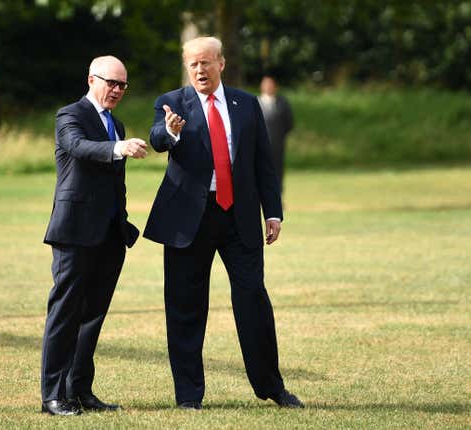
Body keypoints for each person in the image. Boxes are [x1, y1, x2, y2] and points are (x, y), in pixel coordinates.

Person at [144, 37, 303, 410]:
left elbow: (263, 161)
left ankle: (271, 387)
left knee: (253, 301)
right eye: (193, 64)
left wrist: (273, 212)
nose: (199, 70)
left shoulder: (246, 104)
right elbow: (156, 139)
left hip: (239, 217)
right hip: (189, 220)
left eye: (206, 63)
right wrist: (171, 131)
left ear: (221, 63)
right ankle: (188, 396)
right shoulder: (171, 103)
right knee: (185, 305)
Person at [41, 55, 147, 416]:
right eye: (111, 82)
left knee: (92, 316)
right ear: (91, 79)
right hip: (75, 232)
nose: (117, 90)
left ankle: (80, 390)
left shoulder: (116, 123)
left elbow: (116, 183)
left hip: (109, 235)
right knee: (65, 312)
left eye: (122, 85)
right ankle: (53, 396)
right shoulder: (70, 115)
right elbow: (78, 147)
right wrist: (118, 148)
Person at [257, 76, 294, 190]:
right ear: (262, 87)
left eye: (271, 84)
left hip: (277, 145)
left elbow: (289, 123)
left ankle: (278, 196)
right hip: (259, 145)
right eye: (266, 84)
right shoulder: (255, 102)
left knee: (278, 171)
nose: (268, 87)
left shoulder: (283, 103)